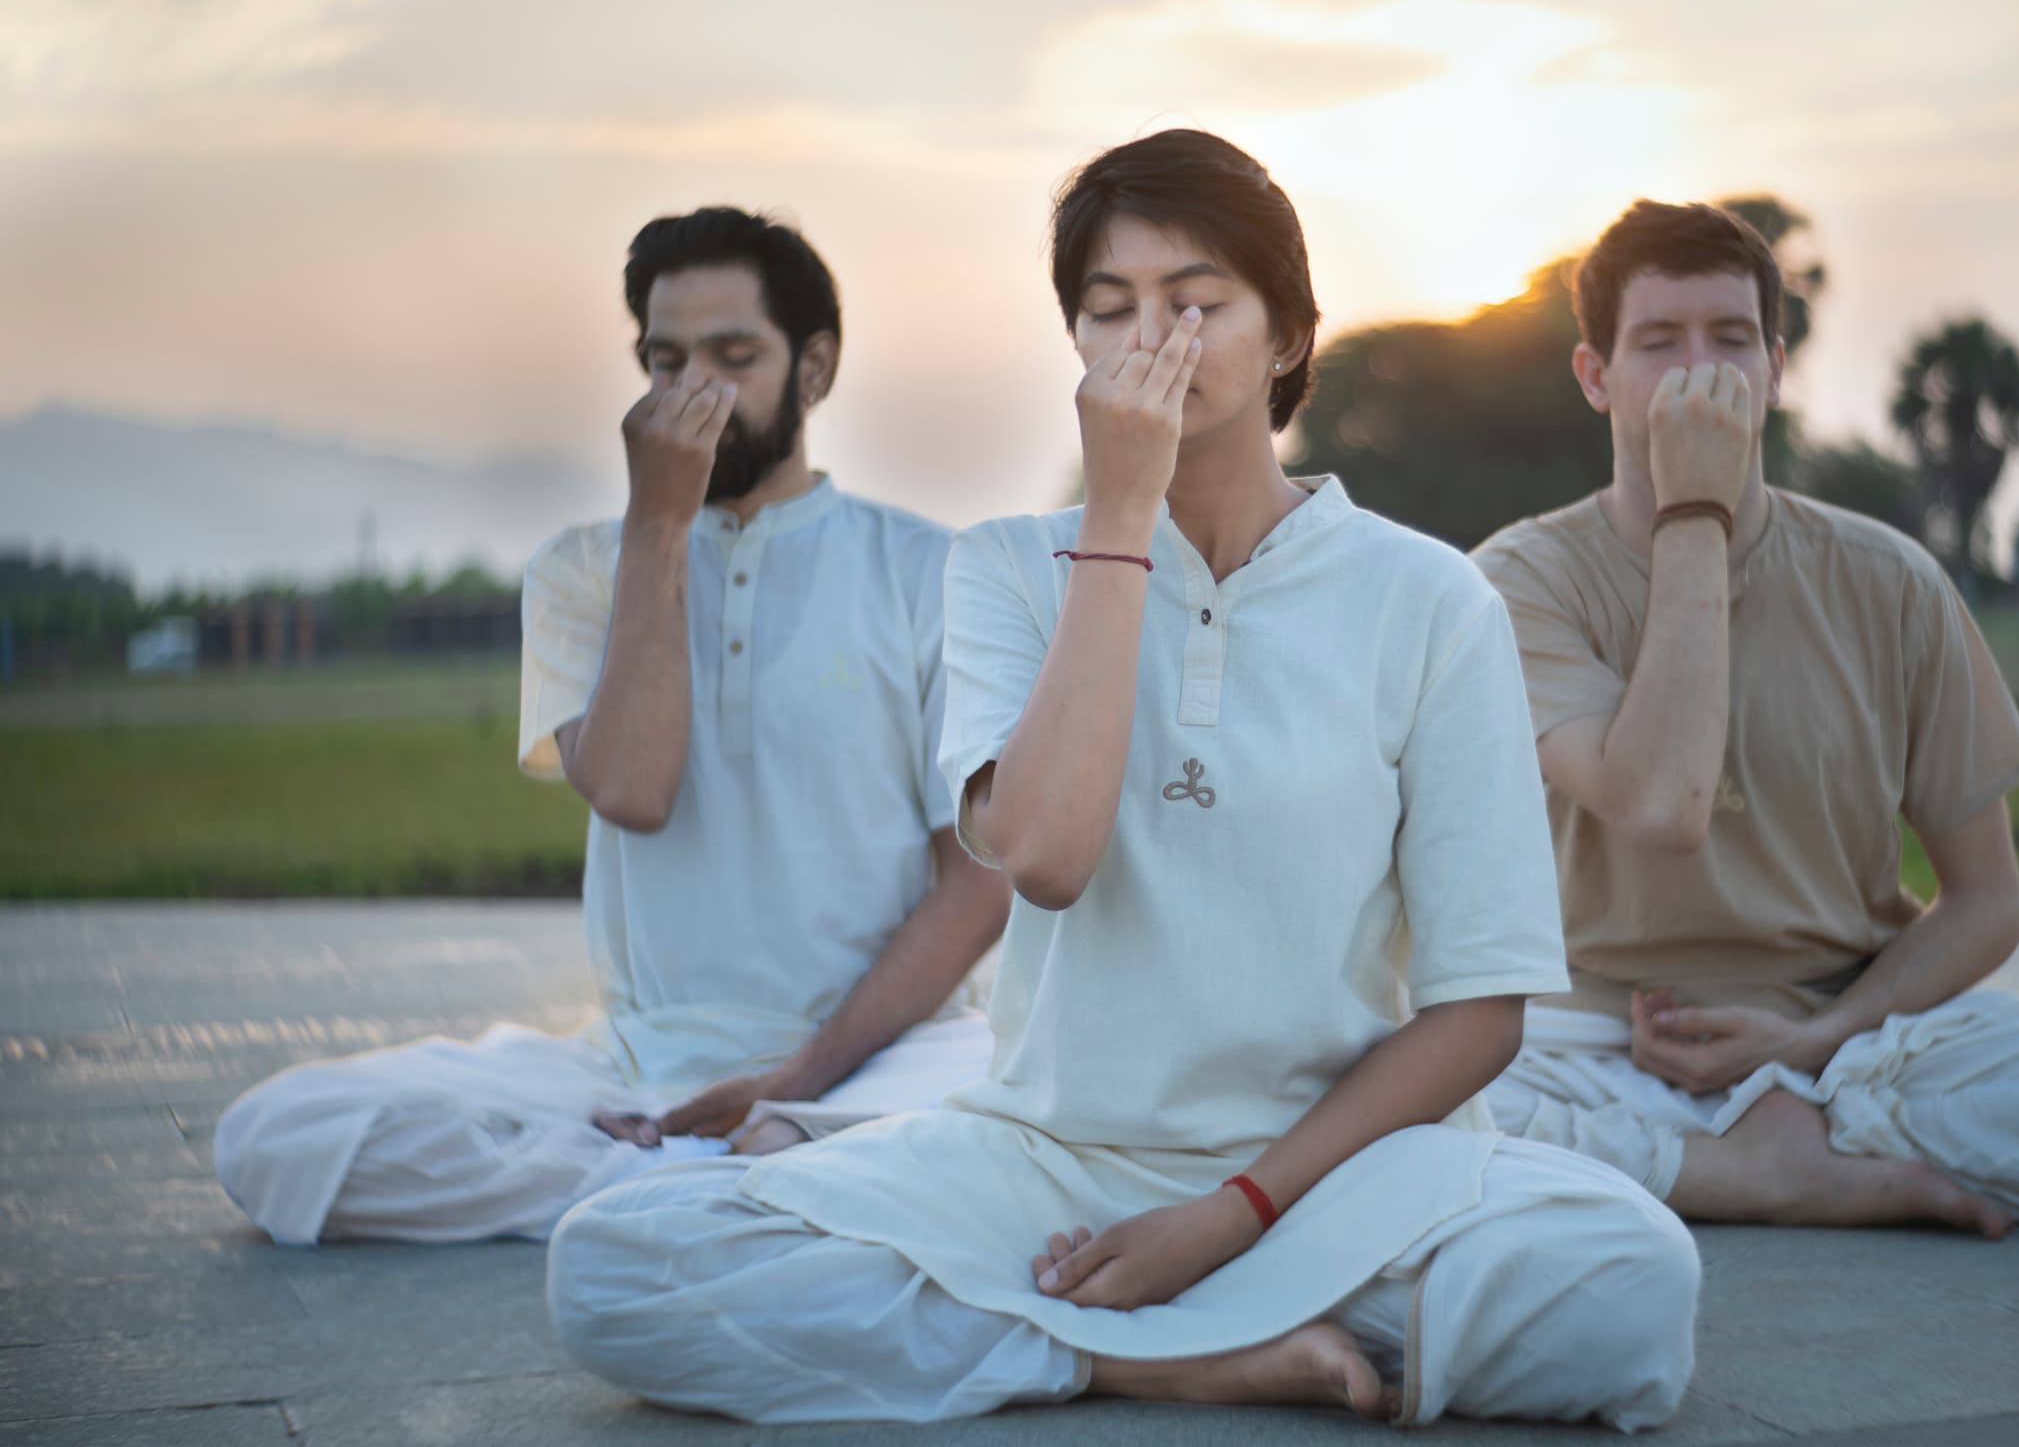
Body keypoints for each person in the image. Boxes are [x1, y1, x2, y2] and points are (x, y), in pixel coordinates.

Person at [545, 133, 1699, 1429]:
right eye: (1109, 310)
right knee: (617, 1263)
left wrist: (1232, 1213)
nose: (1150, 340)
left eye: (1195, 302)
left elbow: (1480, 1011)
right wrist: (1119, 520)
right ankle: (1145, 1355)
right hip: (1044, 1157)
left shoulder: (1428, 598)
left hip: (1333, 1175)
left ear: (1287, 335)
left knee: (1629, 1282)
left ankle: (1096, 1316)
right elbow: (1045, 854)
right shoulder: (1002, 570)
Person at [1471, 199, 2019, 1234]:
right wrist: (1694, 512)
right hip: (1599, 1041)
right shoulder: (1516, 582)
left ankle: (1766, 1148)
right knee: (1393, 1113)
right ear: (1596, 375)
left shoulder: (1890, 580)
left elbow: (1985, 899)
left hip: (1853, 1034)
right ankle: (1764, 1166)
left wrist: (1817, 1040)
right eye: (1660, 342)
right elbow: (1663, 802)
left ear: (1775, 369)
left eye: (1731, 339)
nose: (1700, 372)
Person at [213, 207, 1010, 1246]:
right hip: (640, 1065)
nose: (692, 393)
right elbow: (635, 788)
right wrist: (659, 525)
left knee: (1023, 1099)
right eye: (665, 361)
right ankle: (728, 1182)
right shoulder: (582, 569)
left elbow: (979, 884)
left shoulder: (929, 571)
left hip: (885, 1057)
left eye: (733, 358)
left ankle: (711, 1176)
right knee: (276, 1137)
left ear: (813, 369)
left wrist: (800, 1080)